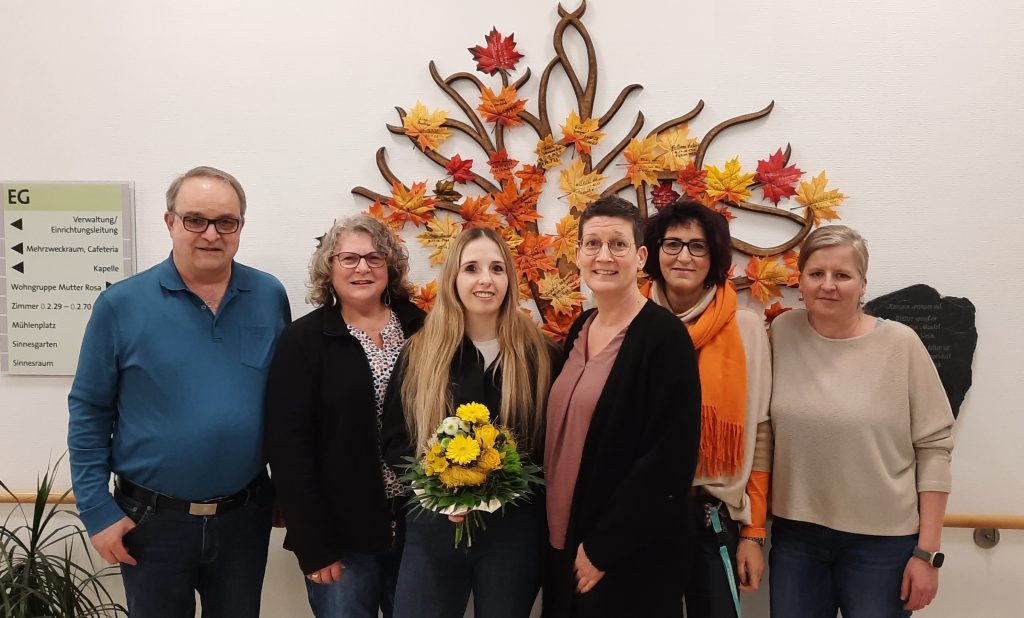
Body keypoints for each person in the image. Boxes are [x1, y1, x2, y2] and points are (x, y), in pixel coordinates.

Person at [67, 166, 291, 617]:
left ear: (240, 226)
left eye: (225, 221)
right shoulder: (121, 305)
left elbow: (287, 403)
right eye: (195, 219)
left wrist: (290, 491)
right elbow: (89, 411)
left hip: (244, 517)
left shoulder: (268, 295)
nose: (211, 234)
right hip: (150, 523)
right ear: (170, 222)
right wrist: (96, 510)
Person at [768, 225, 954, 617]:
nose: (828, 285)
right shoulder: (782, 332)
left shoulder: (900, 344)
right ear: (800, 281)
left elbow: (934, 448)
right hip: (797, 538)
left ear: (863, 284)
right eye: (816, 273)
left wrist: (927, 553)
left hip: (882, 545)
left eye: (842, 275)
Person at [381, 226, 556, 618]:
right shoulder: (419, 353)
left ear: (510, 279)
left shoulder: (541, 355)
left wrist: (498, 483)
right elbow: (395, 438)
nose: (485, 280)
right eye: (472, 268)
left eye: (497, 268)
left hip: (513, 533)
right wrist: (441, 489)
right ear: (453, 278)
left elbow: (551, 448)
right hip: (433, 528)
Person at [543, 196, 702, 618]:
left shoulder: (664, 338)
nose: (604, 256)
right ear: (578, 254)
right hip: (563, 539)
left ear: (641, 256)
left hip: (622, 554)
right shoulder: (581, 327)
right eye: (592, 244)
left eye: (618, 244)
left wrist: (603, 548)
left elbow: (669, 460)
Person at [264, 215, 424, 618]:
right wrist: (313, 545)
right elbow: (288, 450)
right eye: (349, 258)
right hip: (341, 534)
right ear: (329, 267)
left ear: (390, 266)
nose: (362, 268)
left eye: (374, 257)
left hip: (419, 524)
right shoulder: (303, 340)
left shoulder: (422, 329)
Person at [643, 199, 772, 617]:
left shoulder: (746, 327)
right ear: (654, 252)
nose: (684, 256)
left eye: (697, 246)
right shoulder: (628, 321)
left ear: (715, 256)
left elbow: (760, 432)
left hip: (712, 514)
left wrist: (753, 533)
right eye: (672, 244)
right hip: (641, 511)